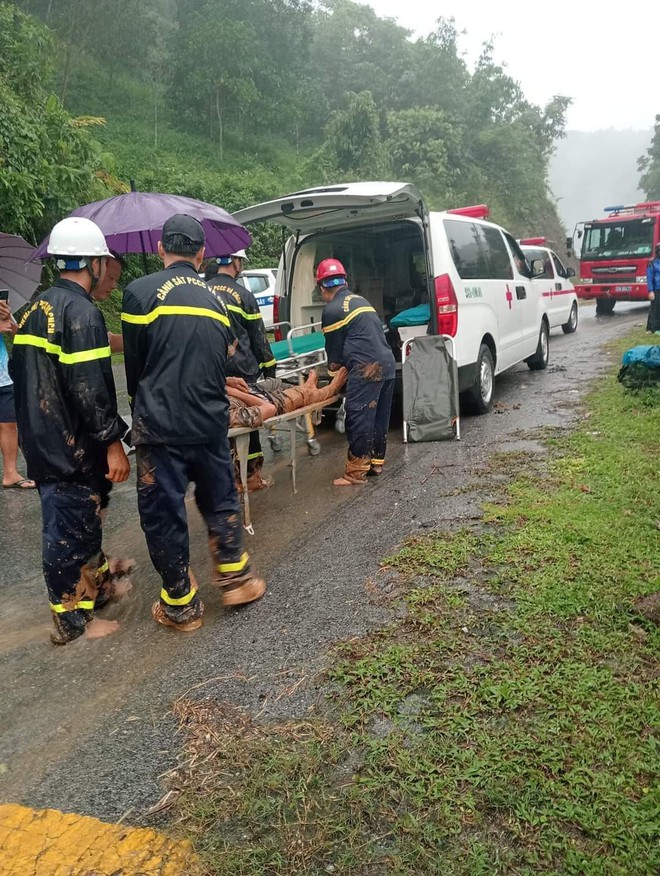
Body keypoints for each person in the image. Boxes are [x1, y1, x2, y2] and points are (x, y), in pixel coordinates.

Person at [122, 214, 266, 633]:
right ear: (202, 254)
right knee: (220, 500)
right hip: (208, 423)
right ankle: (237, 579)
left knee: (164, 513)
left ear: (161, 249)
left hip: (161, 425)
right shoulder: (217, 302)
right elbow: (220, 358)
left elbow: (136, 367)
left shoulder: (139, 293)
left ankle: (182, 607)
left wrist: (146, 402)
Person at [11, 217, 131, 644]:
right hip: (72, 447)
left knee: (82, 524)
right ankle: (71, 622)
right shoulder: (81, 313)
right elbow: (91, 391)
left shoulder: (30, 312)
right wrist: (114, 445)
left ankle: (92, 596)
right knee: (66, 536)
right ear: (94, 263)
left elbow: (19, 372)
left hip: (42, 441)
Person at [318, 258, 396, 485]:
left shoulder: (331, 309)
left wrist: (334, 384)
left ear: (322, 287)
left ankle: (354, 473)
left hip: (367, 368)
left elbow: (334, 353)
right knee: (379, 416)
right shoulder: (361, 300)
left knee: (359, 414)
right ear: (344, 281)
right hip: (388, 362)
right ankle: (375, 464)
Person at [205, 250, 277, 491]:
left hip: (214, 373)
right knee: (250, 424)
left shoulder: (202, 291)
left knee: (224, 423)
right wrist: (270, 371)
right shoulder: (244, 295)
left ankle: (228, 479)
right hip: (243, 373)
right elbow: (258, 338)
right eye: (241, 261)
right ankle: (252, 477)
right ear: (235, 262)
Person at [227, 367, 347, 429]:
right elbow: (270, 408)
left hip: (251, 391)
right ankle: (330, 389)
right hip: (267, 402)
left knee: (274, 383)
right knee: (301, 396)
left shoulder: (210, 400)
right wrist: (232, 391)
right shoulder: (226, 416)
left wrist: (226, 382)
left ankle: (307, 387)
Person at [0, 300, 35, 490]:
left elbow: (19, 335)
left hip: (3, 376)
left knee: (9, 424)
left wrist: (8, 321)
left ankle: (10, 473)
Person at [91, 251, 125, 353]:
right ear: (96, 267)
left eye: (116, 280)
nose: (114, 285)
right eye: (111, 277)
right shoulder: (81, 309)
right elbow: (109, 343)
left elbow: (108, 340)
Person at [646, 243, 660, 334]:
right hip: (656, 289)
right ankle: (654, 328)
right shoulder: (652, 263)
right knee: (655, 309)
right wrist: (650, 291)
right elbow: (649, 278)